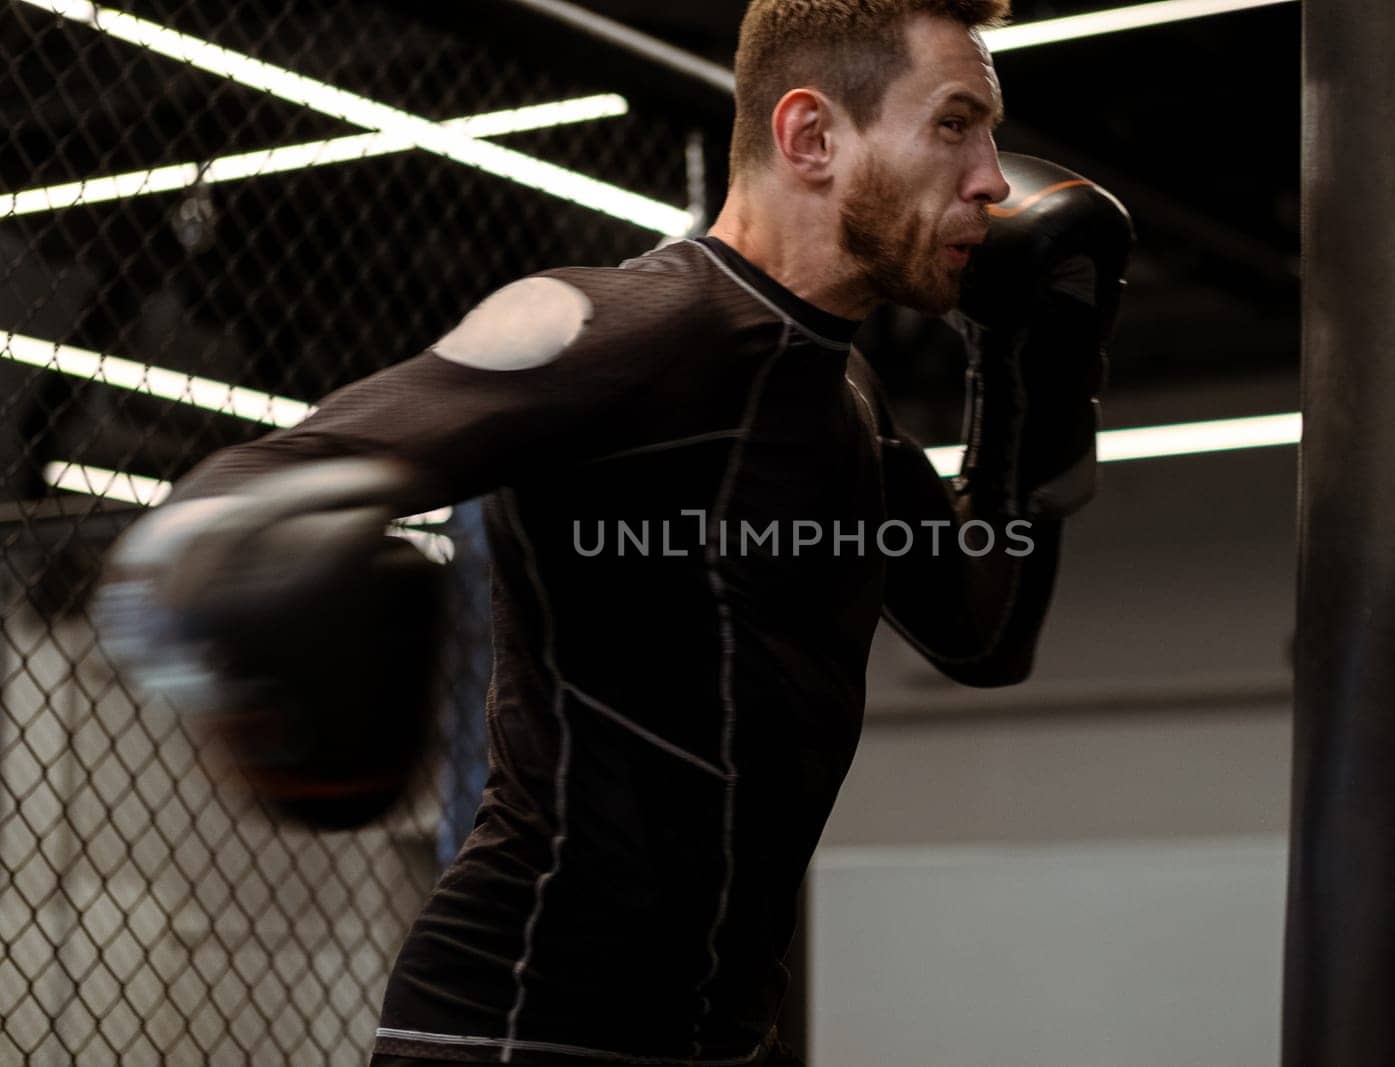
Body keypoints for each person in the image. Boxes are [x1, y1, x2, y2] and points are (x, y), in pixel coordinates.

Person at [100, 0, 1132, 1063]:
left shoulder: (845, 401)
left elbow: (983, 634)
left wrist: (1031, 385)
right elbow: (223, 514)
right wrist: (252, 603)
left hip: (710, 1037)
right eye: (955, 124)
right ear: (811, 136)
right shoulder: (630, 328)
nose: (992, 180)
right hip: (518, 1025)